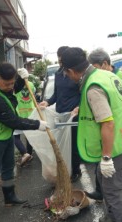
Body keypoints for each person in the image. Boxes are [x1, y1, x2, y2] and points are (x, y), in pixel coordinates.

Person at [61, 47, 122, 222]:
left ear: (70, 71)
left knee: (114, 190)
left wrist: (106, 158)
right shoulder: (105, 74)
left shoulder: (93, 87)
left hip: (116, 147)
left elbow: (107, 123)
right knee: (108, 186)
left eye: (66, 74)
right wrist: (115, 108)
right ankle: (113, 218)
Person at [0, 63, 48, 222]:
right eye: (7, 83)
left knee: (8, 166)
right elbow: (13, 121)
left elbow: (14, 90)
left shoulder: (4, 86)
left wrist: (22, 80)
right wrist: (37, 125)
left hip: (5, 134)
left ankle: (9, 197)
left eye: (12, 82)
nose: (10, 87)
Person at [87, 48, 122, 200]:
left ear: (104, 64)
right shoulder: (98, 79)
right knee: (101, 168)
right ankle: (100, 192)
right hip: (106, 129)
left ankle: (117, 212)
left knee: (115, 178)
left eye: (94, 67)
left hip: (119, 131)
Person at [39, 46, 82, 182]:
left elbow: (83, 94)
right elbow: (57, 94)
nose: (60, 62)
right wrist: (47, 102)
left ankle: (76, 170)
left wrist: (79, 107)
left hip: (73, 116)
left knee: (73, 145)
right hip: (60, 115)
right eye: (59, 59)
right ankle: (64, 170)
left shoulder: (76, 75)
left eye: (62, 60)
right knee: (61, 145)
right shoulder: (58, 74)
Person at [14, 78, 36, 166]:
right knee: (29, 136)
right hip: (30, 113)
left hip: (19, 113)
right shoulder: (31, 84)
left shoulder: (15, 85)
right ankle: (29, 154)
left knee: (15, 136)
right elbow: (33, 92)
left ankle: (24, 153)